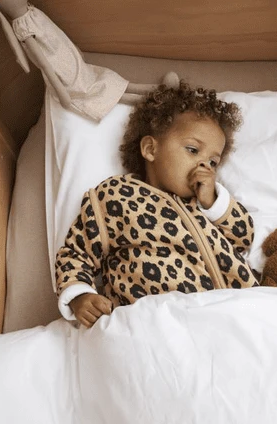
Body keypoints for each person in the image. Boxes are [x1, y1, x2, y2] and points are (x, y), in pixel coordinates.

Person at [55, 82, 260, 327]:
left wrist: (213, 201)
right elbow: (75, 253)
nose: (204, 166)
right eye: (192, 150)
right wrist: (80, 296)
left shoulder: (205, 203)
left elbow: (243, 237)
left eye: (213, 162)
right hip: (157, 318)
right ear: (150, 149)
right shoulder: (116, 195)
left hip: (233, 312)